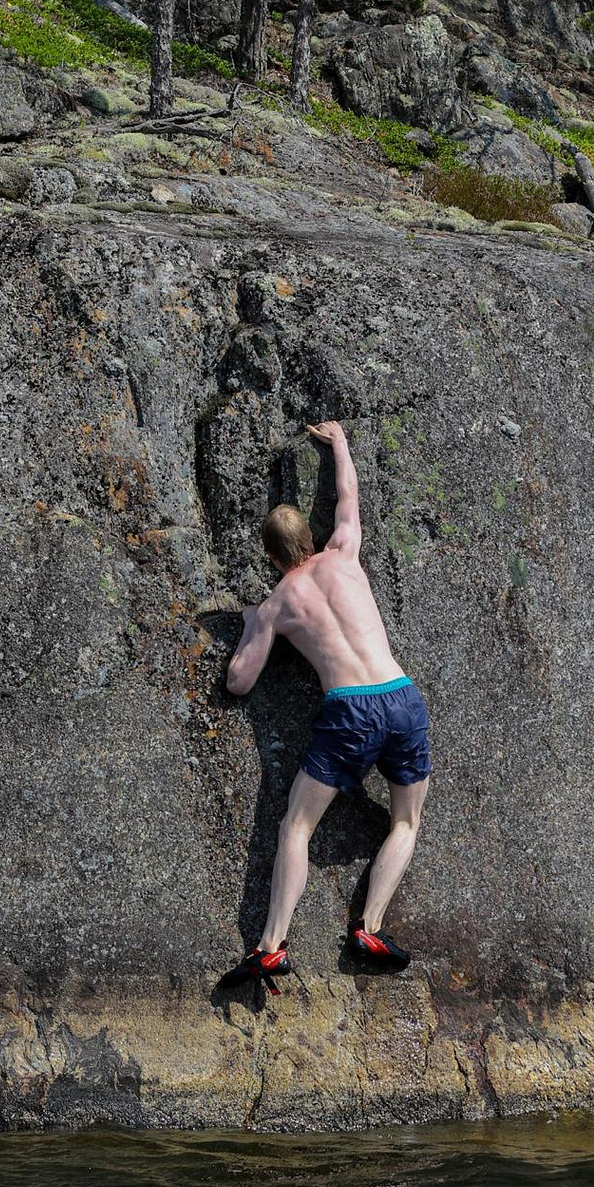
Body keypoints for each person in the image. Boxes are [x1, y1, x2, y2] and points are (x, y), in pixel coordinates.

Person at [218, 420, 432, 995]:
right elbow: (347, 499)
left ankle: (271, 947)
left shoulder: (278, 603)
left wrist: (251, 624)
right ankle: (369, 930)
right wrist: (339, 443)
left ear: (271, 556)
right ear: (310, 538)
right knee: (406, 821)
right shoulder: (343, 553)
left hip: (349, 710)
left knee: (297, 825)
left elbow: (238, 682)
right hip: (401, 696)